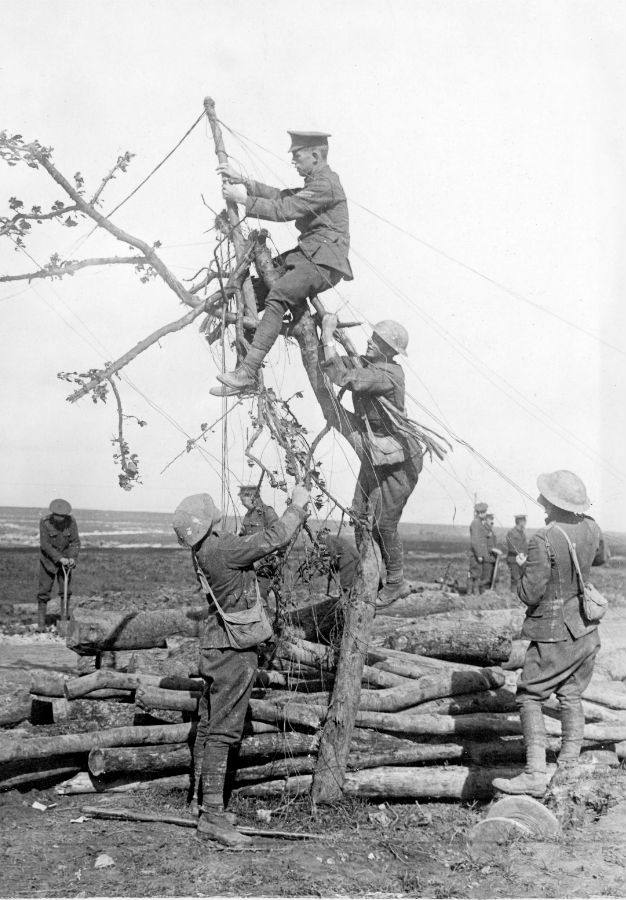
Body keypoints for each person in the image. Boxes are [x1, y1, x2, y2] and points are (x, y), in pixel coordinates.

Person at [172, 484, 310, 847]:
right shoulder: (223, 547)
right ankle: (213, 818)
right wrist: (297, 506)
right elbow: (275, 537)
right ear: (210, 522)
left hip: (215, 644)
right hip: (234, 649)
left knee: (207, 724)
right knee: (224, 731)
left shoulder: (203, 551)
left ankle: (201, 804)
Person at [210, 130, 352, 397]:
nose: (294, 163)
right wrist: (245, 183)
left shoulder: (325, 184)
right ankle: (243, 371)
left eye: (297, 157)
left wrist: (242, 199)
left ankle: (248, 372)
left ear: (315, 155)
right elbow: (282, 196)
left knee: (279, 295)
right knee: (256, 288)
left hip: (324, 261)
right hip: (310, 255)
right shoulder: (317, 181)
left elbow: (285, 209)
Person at [493, 470, 605, 798]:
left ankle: (534, 774)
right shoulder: (592, 527)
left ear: (551, 502)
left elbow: (530, 594)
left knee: (529, 695)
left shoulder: (542, 538)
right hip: (586, 630)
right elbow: (600, 557)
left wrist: (524, 569)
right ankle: (568, 765)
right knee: (570, 694)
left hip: (554, 632)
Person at [321, 314, 423, 604]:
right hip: (378, 453)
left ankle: (396, 582)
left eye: (376, 340)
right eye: (371, 336)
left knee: (384, 524)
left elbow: (346, 377)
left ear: (389, 350)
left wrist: (327, 335)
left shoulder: (386, 375)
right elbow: (353, 366)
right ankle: (371, 578)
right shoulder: (376, 366)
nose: (369, 340)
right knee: (359, 514)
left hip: (400, 462)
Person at [37, 498, 80, 630]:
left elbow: (75, 542)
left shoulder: (71, 522)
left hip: (66, 563)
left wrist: (72, 557)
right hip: (48, 562)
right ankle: (41, 624)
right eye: (57, 516)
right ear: (52, 514)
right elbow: (45, 545)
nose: (60, 518)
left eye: (62, 516)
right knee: (43, 592)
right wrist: (59, 558)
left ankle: (64, 622)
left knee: (66, 592)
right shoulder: (44, 522)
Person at [238, 484, 281, 603]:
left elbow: (278, 538)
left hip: (265, 566)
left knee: (260, 598)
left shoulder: (268, 512)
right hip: (250, 565)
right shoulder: (248, 515)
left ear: (252, 496)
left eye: (243, 500)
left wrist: (262, 561)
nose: (241, 503)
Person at [468, 502, 489, 595]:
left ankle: (473, 594)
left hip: (478, 554)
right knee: (474, 574)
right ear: (480, 513)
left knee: (477, 574)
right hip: (476, 555)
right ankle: (472, 594)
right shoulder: (476, 523)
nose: (485, 514)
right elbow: (475, 541)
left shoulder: (479, 523)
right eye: (484, 512)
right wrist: (479, 555)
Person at [506, 514, 528, 591]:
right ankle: (513, 597)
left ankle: (519, 598)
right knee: (515, 579)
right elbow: (511, 547)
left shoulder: (522, 533)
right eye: (524, 521)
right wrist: (520, 553)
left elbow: (525, 546)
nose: (525, 523)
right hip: (513, 559)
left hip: (522, 560)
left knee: (522, 579)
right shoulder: (511, 532)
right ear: (519, 522)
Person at [483, 512, 502, 591]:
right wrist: (495, 550)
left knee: (492, 578)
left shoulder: (491, 531)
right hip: (487, 558)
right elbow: (485, 545)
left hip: (492, 558)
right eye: (490, 519)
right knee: (486, 579)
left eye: (492, 519)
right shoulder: (484, 530)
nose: (492, 521)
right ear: (485, 520)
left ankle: (490, 594)